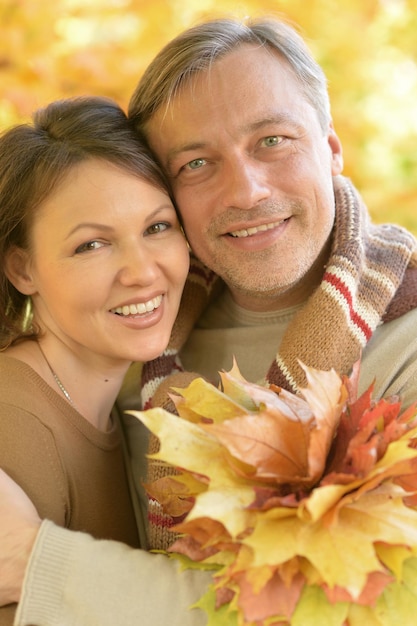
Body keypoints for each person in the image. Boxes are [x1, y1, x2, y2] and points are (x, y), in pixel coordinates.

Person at [2, 15, 417, 626]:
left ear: (332, 148)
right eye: (196, 163)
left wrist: (36, 560)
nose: (246, 191)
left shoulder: (402, 348)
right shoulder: (137, 336)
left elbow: (374, 608)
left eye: (273, 140)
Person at [0, 96, 191, 624]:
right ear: (23, 270)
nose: (141, 272)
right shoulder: (15, 422)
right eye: (91, 245)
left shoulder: (132, 401)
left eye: (157, 227)